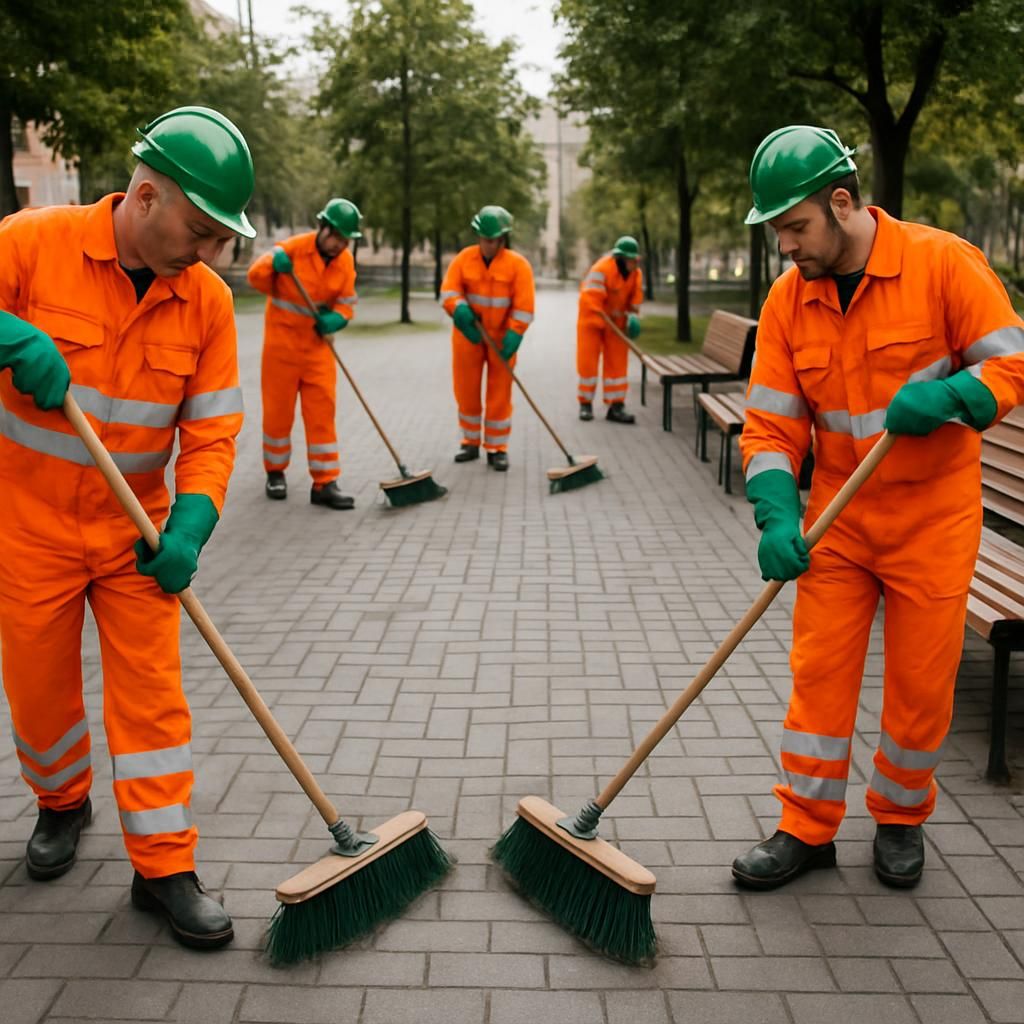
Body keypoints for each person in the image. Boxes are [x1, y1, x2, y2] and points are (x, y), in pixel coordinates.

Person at [733, 124, 1024, 891]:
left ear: (841, 203)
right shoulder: (789, 300)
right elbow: (771, 424)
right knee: (818, 675)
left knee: (920, 684)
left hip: (933, 519)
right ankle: (806, 827)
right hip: (840, 521)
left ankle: (900, 817)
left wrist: (954, 395)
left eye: (795, 226)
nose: (785, 246)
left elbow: (1014, 362)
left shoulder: (942, 263)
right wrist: (775, 514)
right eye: (775, 231)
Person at [0, 107, 253, 947]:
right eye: (201, 231)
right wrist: (7, 335)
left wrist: (191, 528)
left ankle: (164, 867)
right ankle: (61, 801)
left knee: (152, 701)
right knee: (39, 692)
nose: (210, 252)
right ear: (147, 197)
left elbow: (212, 434)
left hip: (134, 535)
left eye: (221, 238)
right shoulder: (32, 244)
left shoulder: (207, 303)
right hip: (27, 526)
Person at [247, 198, 362, 509]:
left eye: (345, 240)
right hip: (281, 349)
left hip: (317, 351)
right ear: (323, 227)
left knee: (322, 415)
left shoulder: (345, 262)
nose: (339, 244)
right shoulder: (293, 249)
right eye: (336, 236)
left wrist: (336, 319)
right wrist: (273, 264)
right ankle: (275, 473)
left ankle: (325, 482)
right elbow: (255, 277)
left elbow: (347, 303)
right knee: (278, 414)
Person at [440, 205, 535, 471]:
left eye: (493, 240)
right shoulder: (463, 259)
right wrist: (459, 310)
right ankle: (470, 442)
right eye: (484, 239)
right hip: (469, 335)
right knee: (466, 390)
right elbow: (449, 291)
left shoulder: (518, 266)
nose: (488, 245)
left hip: (502, 339)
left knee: (500, 392)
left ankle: (497, 448)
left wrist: (516, 333)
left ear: (503, 239)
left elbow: (524, 306)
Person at [576, 235, 643, 423]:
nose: (634, 263)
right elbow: (590, 297)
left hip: (616, 324)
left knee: (618, 364)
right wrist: (602, 314)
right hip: (592, 321)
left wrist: (633, 317)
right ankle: (585, 404)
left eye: (635, 260)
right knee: (588, 364)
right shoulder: (601, 269)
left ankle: (616, 406)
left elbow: (635, 299)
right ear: (620, 258)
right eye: (630, 260)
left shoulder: (636, 274)